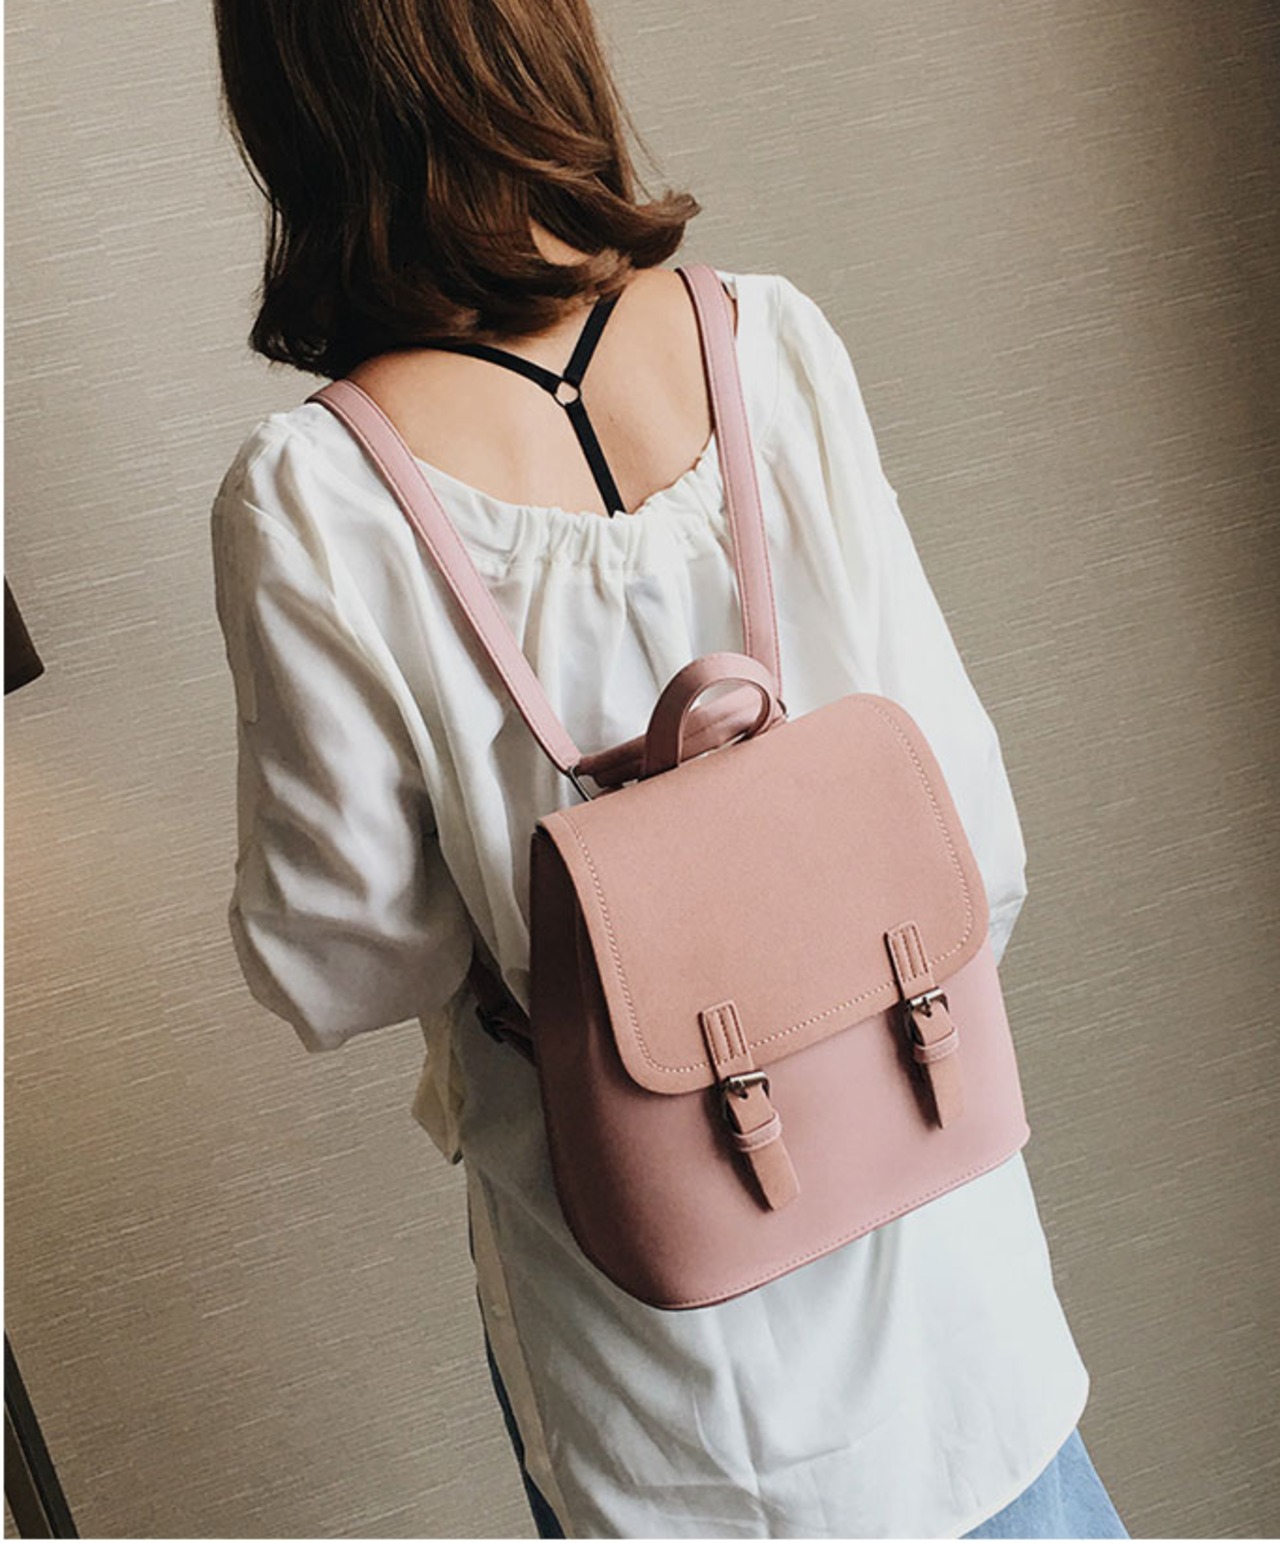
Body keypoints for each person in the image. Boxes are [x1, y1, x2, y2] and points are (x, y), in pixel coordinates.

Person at [208, 1, 1130, 1536]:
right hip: (957, 1310)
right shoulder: (764, 339)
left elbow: (344, 960)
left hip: (673, 1393)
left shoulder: (314, 496)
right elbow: (972, 827)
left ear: (294, 111)